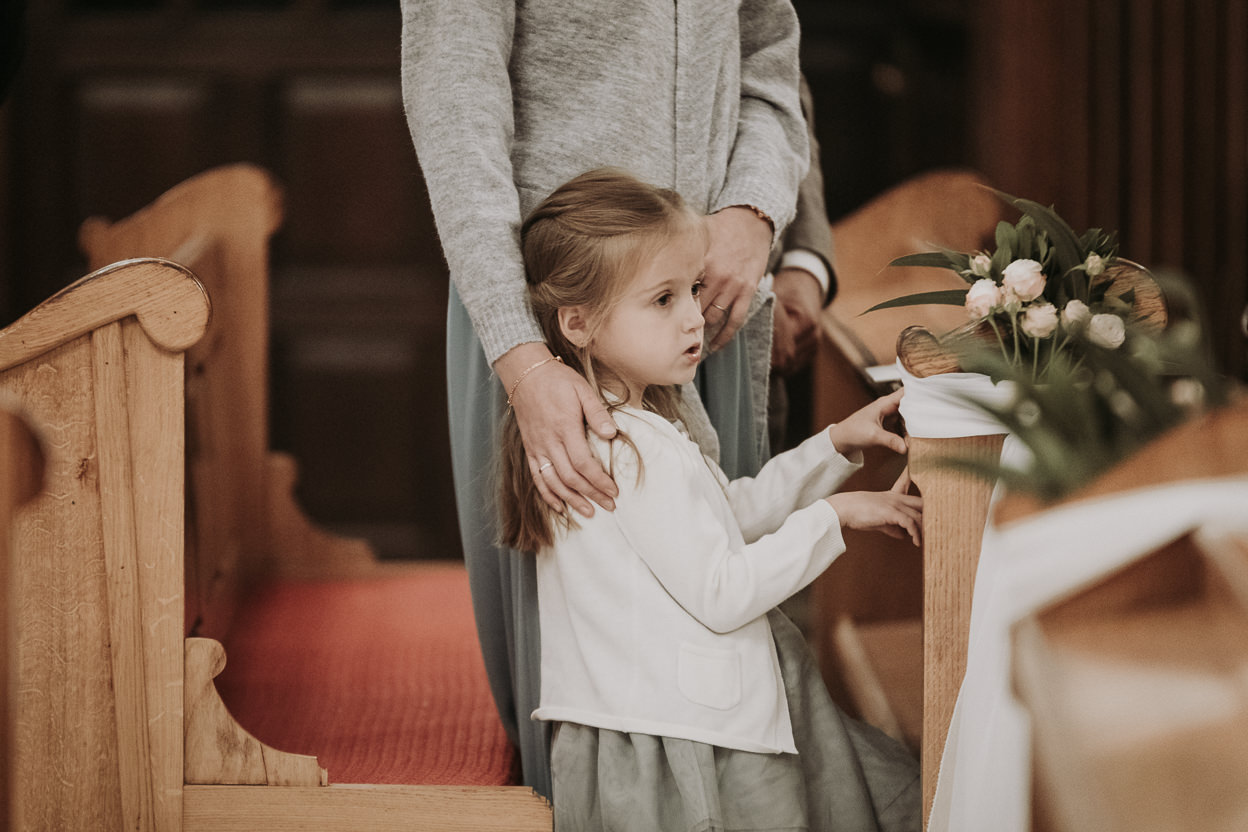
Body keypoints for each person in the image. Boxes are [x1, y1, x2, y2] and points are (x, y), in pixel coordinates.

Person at [401, 0, 810, 798]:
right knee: (585, 715)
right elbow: (457, 108)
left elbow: (770, 63)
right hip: (552, 329)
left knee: (732, 679)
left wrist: (754, 212)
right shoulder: (542, 345)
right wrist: (524, 361)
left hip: (711, 311)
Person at [500, 167, 922, 831]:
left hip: (657, 723)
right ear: (577, 323)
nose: (696, 317)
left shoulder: (623, 429)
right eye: (663, 300)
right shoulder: (624, 447)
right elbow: (723, 591)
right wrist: (834, 517)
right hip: (685, 743)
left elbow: (726, 514)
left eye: (693, 290)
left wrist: (835, 445)